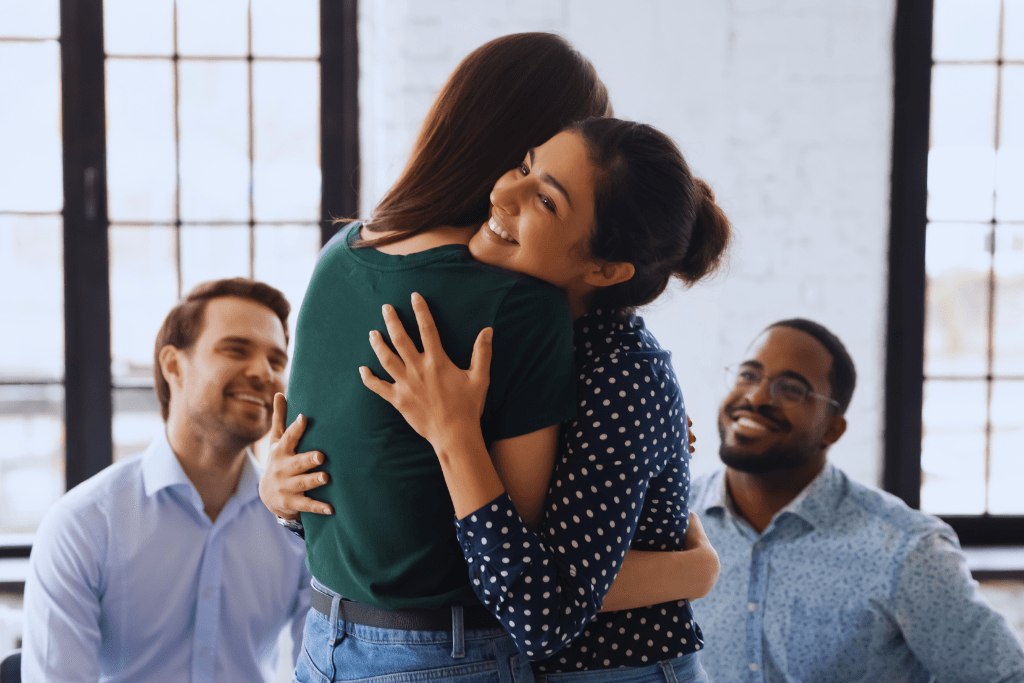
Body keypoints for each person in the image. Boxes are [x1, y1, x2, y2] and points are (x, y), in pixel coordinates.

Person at [357, 117, 729, 682]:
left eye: (546, 201)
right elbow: (421, 512)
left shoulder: (624, 377)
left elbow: (543, 615)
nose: (503, 192)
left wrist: (455, 436)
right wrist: (288, 499)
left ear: (605, 268)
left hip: (621, 670)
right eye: (525, 167)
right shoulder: (510, 335)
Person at [688, 318, 1024, 682]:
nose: (755, 398)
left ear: (833, 429)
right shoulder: (669, 520)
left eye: (791, 389)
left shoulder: (907, 550)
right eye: (748, 375)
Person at [21, 278, 311, 683]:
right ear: (174, 365)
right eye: (236, 349)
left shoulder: (299, 530)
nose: (264, 373)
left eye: (277, 361)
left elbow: (322, 668)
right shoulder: (83, 525)